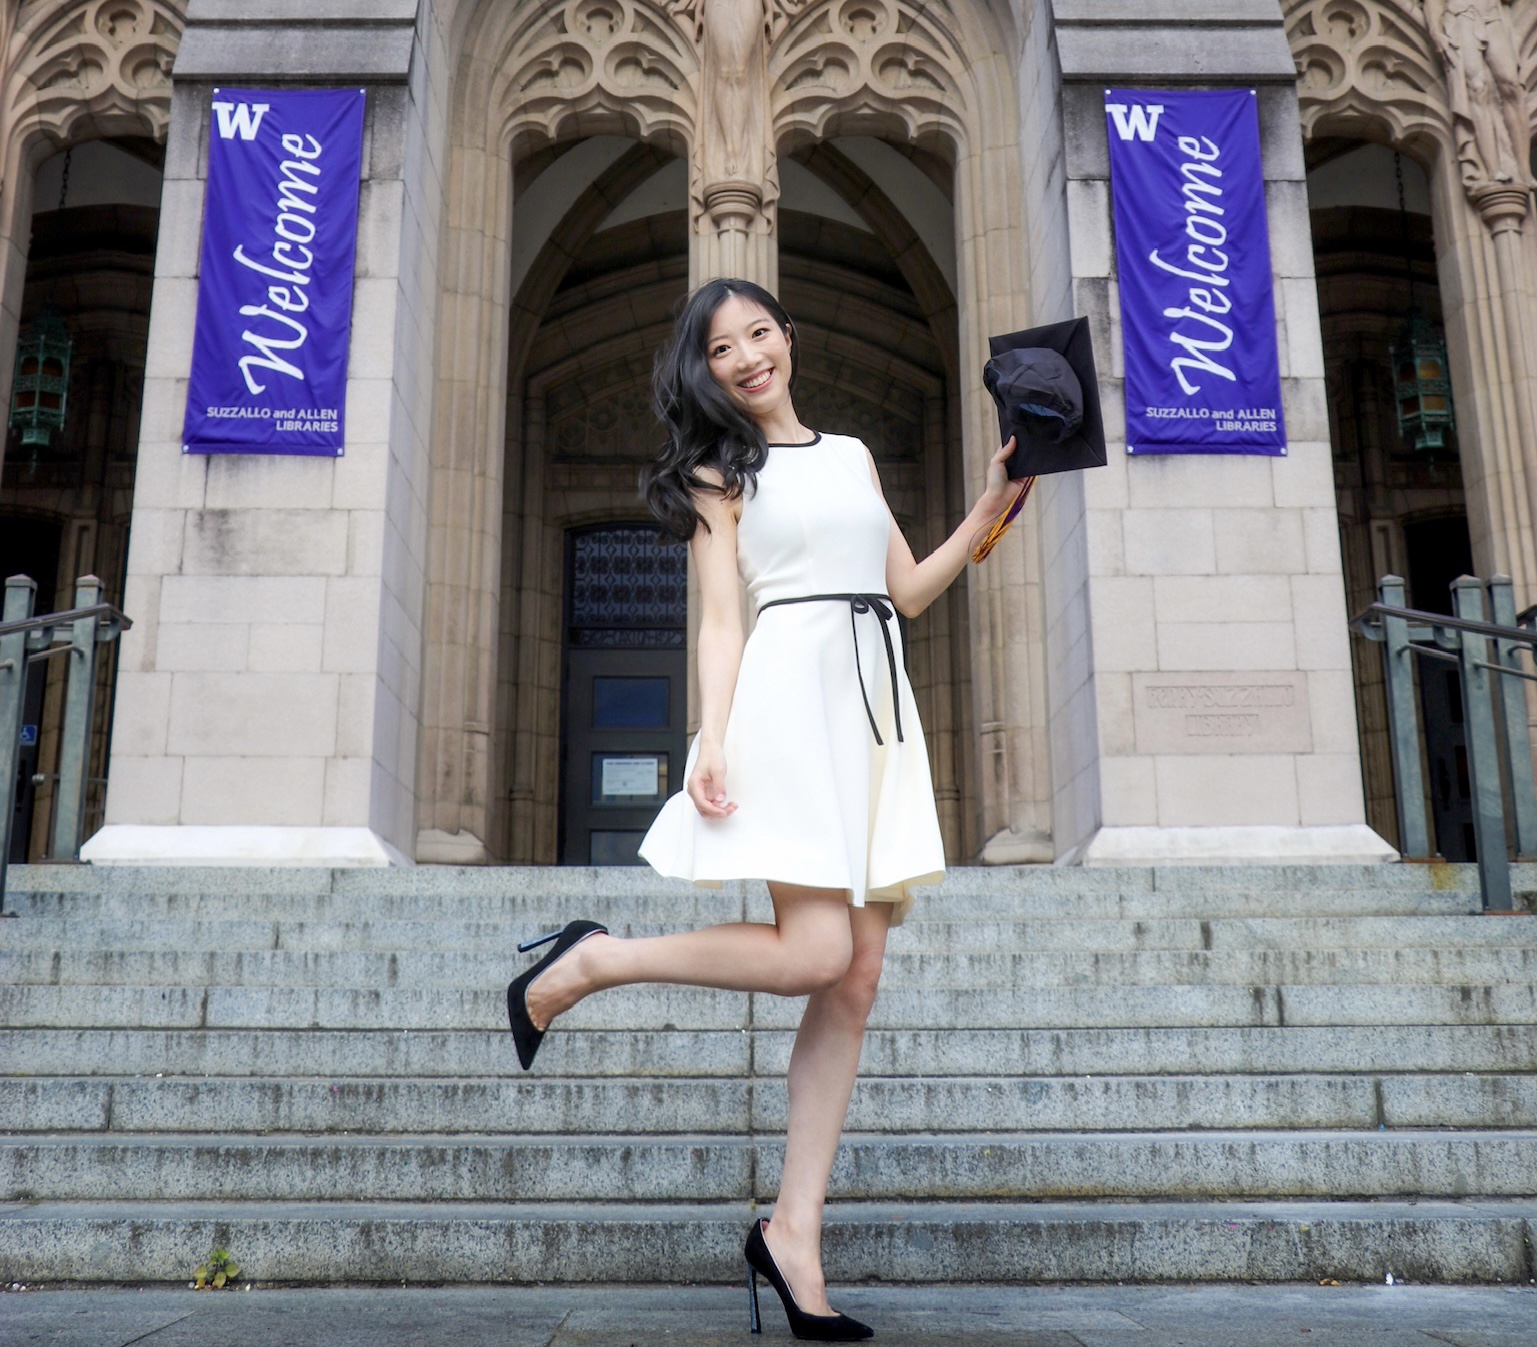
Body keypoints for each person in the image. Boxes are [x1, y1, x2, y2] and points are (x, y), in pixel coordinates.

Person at [507, 277, 1014, 1341]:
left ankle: (794, 1234)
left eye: (757, 333)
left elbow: (905, 591)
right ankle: (595, 959)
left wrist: (986, 510)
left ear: (789, 336)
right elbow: (721, 621)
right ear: (705, 371)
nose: (746, 357)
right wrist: (713, 735)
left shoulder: (853, 454)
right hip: (789, 700)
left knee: (856, 978)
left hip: (872, 708)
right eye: (721, 348)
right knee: (816, 953)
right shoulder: (717, 473)